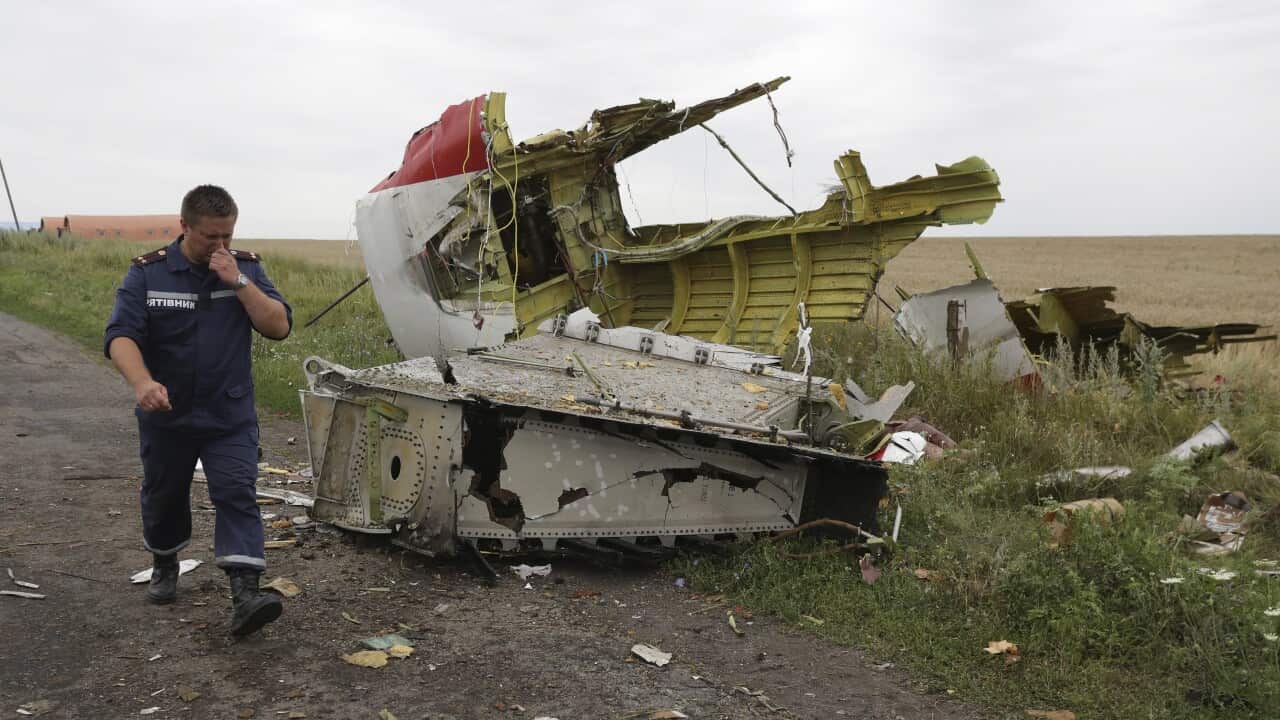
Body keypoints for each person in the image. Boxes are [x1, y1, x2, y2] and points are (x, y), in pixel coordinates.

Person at [104, 185, 292, 636]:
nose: (220, 245)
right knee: (164, 495)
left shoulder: (245, 269)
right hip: (167, 415)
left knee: (236, 491)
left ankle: (245, 592)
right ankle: (165, 561)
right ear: (184, 226)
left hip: (228, 415)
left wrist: (239, 282)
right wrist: (142, 382)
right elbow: (121, 336)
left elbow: (278, 326)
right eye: (211, 237)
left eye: (227, 235)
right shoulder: (148, 274)